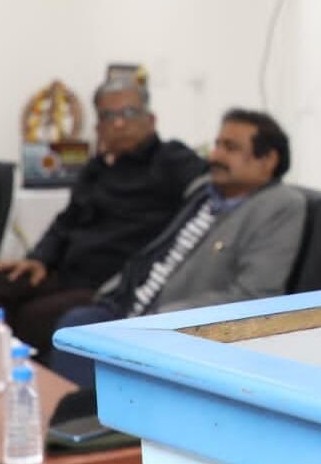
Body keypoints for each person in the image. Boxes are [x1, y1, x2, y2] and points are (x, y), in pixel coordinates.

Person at [46, 108, 305, 388]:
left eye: (230, 148)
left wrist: (163, 318)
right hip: (129, 306)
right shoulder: (205, 192)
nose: (215, 156)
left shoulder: (280, 205)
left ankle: (92, 413)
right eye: (217, 145)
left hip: (171, 326)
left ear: (268, 160)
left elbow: (254, 295)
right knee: (74, 326)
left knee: (79, 344)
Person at [0, 78, 207, 349]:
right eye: (109, 116)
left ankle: (14, 368)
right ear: (98, 127)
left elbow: (213, 191)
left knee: (35, 316)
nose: (119, 123)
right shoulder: (95, 168)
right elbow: (65, 222)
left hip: (113, 284)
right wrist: (38, 259)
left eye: (129, 113)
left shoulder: (172, 160)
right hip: (65, 272)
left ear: (151, 119)